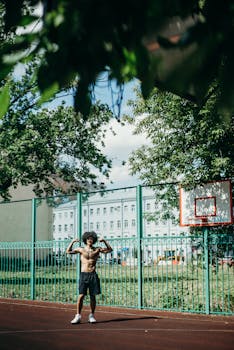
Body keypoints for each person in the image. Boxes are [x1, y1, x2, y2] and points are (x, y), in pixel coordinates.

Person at [66, 231, 113, 324]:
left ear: (94, 240)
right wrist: (72, 242)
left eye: (91, 239)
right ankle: (78, 315)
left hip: (93, 275)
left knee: (93, 296)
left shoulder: (97, 249)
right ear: (85, 240)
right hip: (84, 274)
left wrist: (104, 241)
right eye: (88, 239)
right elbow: (68, 251)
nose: (90, 240)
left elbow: (110, 250)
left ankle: (91, 315)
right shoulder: (81, 249)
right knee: (81, 296)